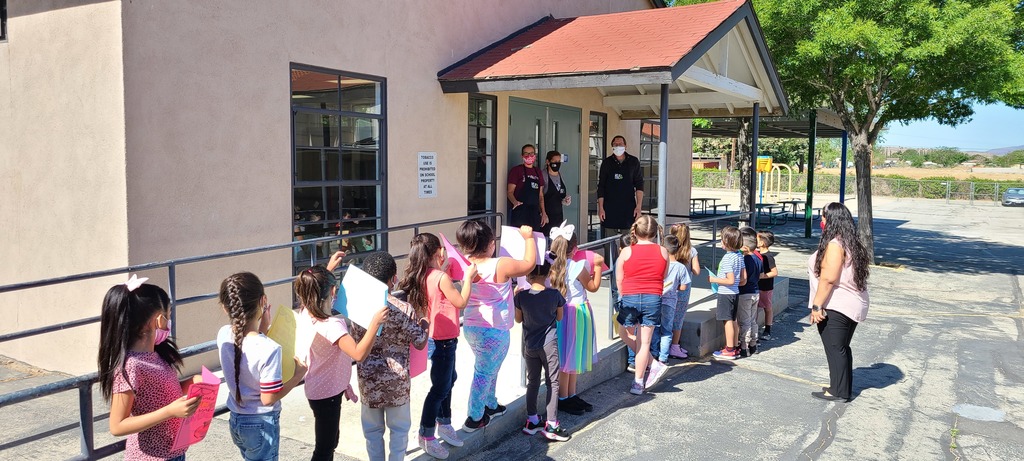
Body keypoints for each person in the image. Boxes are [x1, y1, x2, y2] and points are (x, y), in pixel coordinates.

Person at [98, 275, 200, 461]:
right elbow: (117, 425)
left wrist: (191, 383)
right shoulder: (131, 366)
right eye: (169, 315)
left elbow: (160, 394)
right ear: (159, 320)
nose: (170, 321)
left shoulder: (156, 354)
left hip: (174, 453)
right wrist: (170, 412)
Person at [296, 257, 388, 461]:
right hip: (328, 394)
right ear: (332, 291)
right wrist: (374, 324)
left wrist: (327, 270)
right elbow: (358, 354)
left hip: (317, 388)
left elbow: (313, 289)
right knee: (325, 448)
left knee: (329, 439)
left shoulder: (305, 312)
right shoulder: (332, 326)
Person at [399, 234, 477, 459]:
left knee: (448, 379)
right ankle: (426, 434)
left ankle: (444, 422)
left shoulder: (423, 274)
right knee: (441, 388)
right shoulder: (441, 277)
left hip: (434, 338)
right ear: (438, 252)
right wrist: (468, 278)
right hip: (444, 340)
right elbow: (461, 301)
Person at [347, 251, 429, 461]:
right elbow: (420, 342)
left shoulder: (355, 307)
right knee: (399, 431)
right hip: (397, 383)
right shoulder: (404, 309)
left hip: (368, 381)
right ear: (393, 279)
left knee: (372, 432)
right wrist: (424, 323)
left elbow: (354, 340)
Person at [217, 272, 307, 461]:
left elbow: (247, 347)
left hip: (236, 419)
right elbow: (268, 398)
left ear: (225, 308)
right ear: (263, 301)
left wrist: (263, 329)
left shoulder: (223, 335)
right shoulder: (270, 348)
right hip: (261, 423)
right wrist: (298, 375)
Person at [456, 221, 536, 431]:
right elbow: (529, 264)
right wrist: (528, 238)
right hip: (494, 330)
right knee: (484, 372)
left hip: (472, 327)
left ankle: (490, 404)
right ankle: (474, 417)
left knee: (489, 366)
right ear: (491, 244)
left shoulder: (466, 265)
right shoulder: (500, 264)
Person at [809, 202, 870, 402]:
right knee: (842, 347)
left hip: (837, 304)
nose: (821, 220)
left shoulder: (835, 245)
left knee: (835, 348)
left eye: (823, 216)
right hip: (851, 303)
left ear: (831, 220)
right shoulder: (851, 242)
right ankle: (840, 387)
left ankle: (838, 392)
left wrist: (817, 306)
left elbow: (828, 278)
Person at [547, 221, 603, 416]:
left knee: (567, 356)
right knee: (571, 356)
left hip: (561, 314)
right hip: (577, 314)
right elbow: (593, 287)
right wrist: (598, 266)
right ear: (575, 248)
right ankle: (564, 397)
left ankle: (570, 394)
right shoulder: (579, 267)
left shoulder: (551, 267)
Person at [514, 262, 571, 442]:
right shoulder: (554, 295)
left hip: (530, 344)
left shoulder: (521, 296)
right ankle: (552, 424)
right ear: (548, 275)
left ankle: (532, 420)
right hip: (549, 343)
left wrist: (517, 297)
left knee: (532, 382)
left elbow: (518, 320)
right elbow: (560, 317)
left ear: (528, 276)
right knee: (553, 381)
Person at [615, 215, 669, 394]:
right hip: (653, 298)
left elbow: (619, 278)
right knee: (644, 342)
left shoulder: (626, 251)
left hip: (630, 297)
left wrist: (623, 295)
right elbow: (664, 275)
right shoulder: (663, 251)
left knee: (624, 332)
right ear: (654, 233)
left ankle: (652, 365)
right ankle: (639, 382)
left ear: (636, 231)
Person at [653, 234, 690, 365]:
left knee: (655, 328)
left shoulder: (659, 263)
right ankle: (663, 357)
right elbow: (684, 287)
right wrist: (674, 287)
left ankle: (654, 354)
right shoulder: (681, 267)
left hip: (656, 299)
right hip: (670, 302)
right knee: (667, 330)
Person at [596, 136, 643, 238]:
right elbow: (601, 187)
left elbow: (639, 185)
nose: (618, 146)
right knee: (609, 241)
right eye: (615, 144)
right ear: (612, 146)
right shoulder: (606, 163)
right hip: (609, 209)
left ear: (625, 146)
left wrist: (638, 207)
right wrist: (601, 208)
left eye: (620, 144)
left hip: (628, 209)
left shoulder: (633, 162)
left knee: (628, 240)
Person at [710, 226, 745, 360]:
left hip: (726, 293)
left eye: (721, 240)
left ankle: (729, 349)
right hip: (735, 292)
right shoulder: (739, 256)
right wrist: (735, 283)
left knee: (727, 321)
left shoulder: (727, 259)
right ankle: (734, 346)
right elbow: (743, 278)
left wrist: (714, 279)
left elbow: (730, 280)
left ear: (727, 242)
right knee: (733, 319)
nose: (720, 242)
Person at [667, 223, 700, 359]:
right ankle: (674, 346)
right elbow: (696, 271)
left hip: (668, 288)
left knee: (666, 316)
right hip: (683, 290)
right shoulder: (691, 251)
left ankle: (664, 346)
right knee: (678, 318)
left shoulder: (667, 250)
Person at [507, 144, 547, 230]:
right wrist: (515, 202)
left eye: (531, 153)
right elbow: (510, 192)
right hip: (520, 212)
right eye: (526, 153)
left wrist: (543, 213)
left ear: (535, 155)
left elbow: (540, 195)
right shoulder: (516, 170)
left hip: (534, 213)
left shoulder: (538, 171)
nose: (529, 156)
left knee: (534, 237)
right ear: (522, 156)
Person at [737, 228, 763, 357]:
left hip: (745, 293)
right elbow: (761, 275)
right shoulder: (758, 259)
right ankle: (753, 344)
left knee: (745, 321)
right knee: (753, 320)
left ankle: (744, 346)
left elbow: (743, 278)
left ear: (745, 248)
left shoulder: (745, 260)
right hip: (755, 291)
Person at [540, 151, 570, 237]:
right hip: (546, 217)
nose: (557, 163)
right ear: (548, 162)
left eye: (559, 161)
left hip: (558, 216)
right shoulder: (544, 175)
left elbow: (560, 197)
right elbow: (540, 196)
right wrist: (543, 213)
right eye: (554, 161)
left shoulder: (560, 175)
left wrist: (565, 200)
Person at [757, 231, 778, 340]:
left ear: (762, 243)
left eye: (756, 239)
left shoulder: (768, 257)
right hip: (757, 286)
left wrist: (762, 276)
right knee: (755, 308)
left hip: (766, 287)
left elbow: (774, 272)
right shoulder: (757, 254)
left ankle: (768, 329)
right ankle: (754, 329)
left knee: (767, 308)